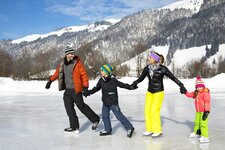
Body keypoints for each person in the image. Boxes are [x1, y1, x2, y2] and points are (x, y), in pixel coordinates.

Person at [45, 46, 100, 134]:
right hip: (67, 90)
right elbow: (57, 73)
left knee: (81, 106)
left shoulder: (78, 63)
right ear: (66, 54)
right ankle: (74, 127)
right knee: (69, 108)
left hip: (76, 89)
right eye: (70, 54)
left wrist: (85, 87)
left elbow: (84, 75)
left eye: (73, 53)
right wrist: (50, 81)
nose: (72, 55)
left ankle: (95, 119)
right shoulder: (62, 63)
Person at [131, 51, 187, 137]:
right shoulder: (147, 68)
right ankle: (149, 129)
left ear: (155, 59)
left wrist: (181, 85)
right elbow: (141, 78)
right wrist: (135, 83)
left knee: (154, 111)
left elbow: (173, 77)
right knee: (147, 111)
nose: (148, 59)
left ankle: (157, 130)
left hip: (159, 92)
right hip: (149, 92)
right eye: (149, 57)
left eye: (150, 58)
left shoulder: (162, 69)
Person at [83, 64, 136, 138]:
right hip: (105, 102)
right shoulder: (101, 80)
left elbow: (122, 85)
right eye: (101, 70)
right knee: (105, 116)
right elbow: (96, 88)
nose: (101, 72)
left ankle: (130, 128)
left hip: (113, 102)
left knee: (119, 116)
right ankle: (108, 129)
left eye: (102, 70)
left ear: (107, 71)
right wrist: (88, 92)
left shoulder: (113, 80)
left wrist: (130, 87)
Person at [180, 75, 210, 143]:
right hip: (198, 111)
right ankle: (197, 132)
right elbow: (190, 94)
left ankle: (205, 136)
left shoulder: (205, 93)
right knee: (197, 122)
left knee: (203, 124)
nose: (199, 88)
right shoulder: (196, 93)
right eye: (198, 87)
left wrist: (207, 111)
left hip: (204, 112)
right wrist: (185, 92)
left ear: (203, 86)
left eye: (201, 86)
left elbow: (207, 102)